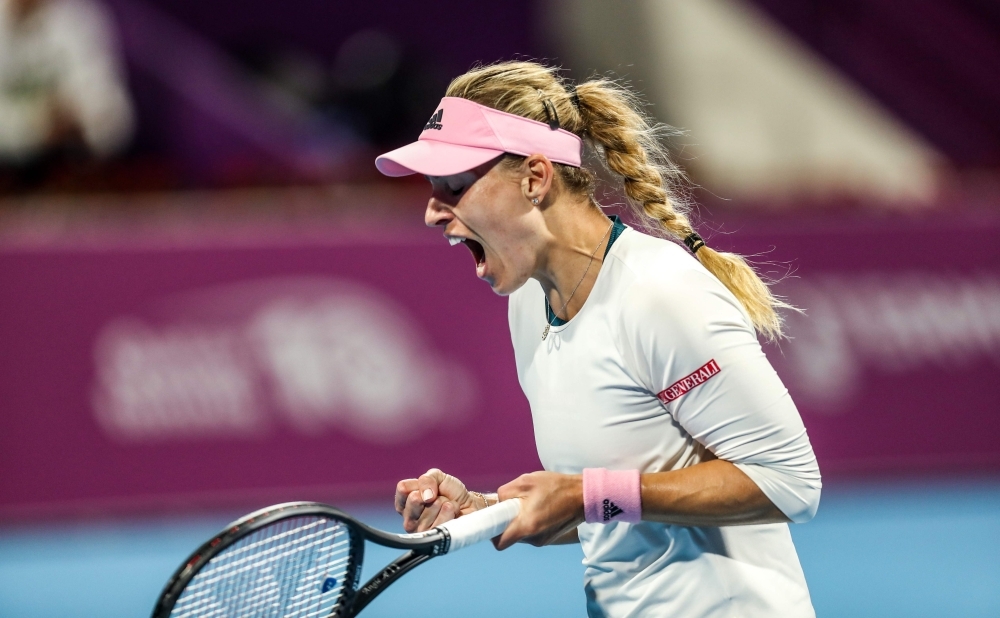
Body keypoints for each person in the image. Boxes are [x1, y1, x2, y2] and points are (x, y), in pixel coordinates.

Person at [376, 61, 821, 617]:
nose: (431, 212)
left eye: (454, 186)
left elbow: (789, 482)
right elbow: (619, 512)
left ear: (536, 178)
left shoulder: (660, 295)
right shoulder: (527, 303)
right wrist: (486, 509)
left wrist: (584, 495)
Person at [0, 0, 134, 188]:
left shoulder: (79, 18)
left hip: (70, 171)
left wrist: (76, 118)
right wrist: (35, 129)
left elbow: (115, 116)